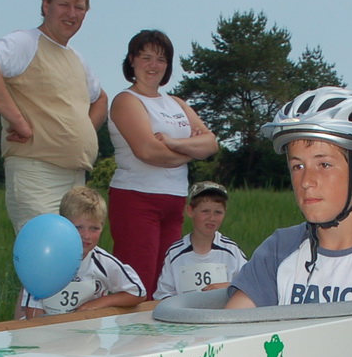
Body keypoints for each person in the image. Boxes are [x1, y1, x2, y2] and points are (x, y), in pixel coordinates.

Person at [227, 88, 352, 307]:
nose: (306, 181)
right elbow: (234, 325)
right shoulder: (279, 248)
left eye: (324, 165)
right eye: (297, 166)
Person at [0, 0, 107, 232]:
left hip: (76, 179)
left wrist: (81, 131)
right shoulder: (26, 42)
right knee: (45, 257)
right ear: (46, 6)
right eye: (64, 4)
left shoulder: (77, 58)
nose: (72, 14)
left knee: (73, 261)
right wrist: (19, 122)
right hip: (37, 174)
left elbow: (100, 99)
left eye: (80, 7)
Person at [105, 29, 219, 293]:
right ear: (132, 60)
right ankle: (130, 334)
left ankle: (158, 335)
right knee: (138, 283)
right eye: (145, 57)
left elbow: (211, 143)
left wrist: (174, 143)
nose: (153, 66)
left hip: (174, 200)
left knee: (165, 282)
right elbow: (147, 151)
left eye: (160, 59)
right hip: (136, 198)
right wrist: (191, 151)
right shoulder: (126, 101)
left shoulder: (176, 103)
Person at [15, 186, 146, 319]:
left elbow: (138, 292)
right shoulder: (44, 259)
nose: (86, 235)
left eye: (94, 228)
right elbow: (33, 312)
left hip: (87, 333)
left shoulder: (103, 263)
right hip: (47, 330)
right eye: (78, 227)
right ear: (63, 224)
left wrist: (98, 304)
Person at [153, 181, 247, 300]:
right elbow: (163, 295)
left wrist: (228, 286)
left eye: (218, 212)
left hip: (223, 316)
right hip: (184, 316)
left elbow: (251, 286)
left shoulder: (232, 251)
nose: (212, 218)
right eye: (205, 211)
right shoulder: (175, 253)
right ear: (190, 211)